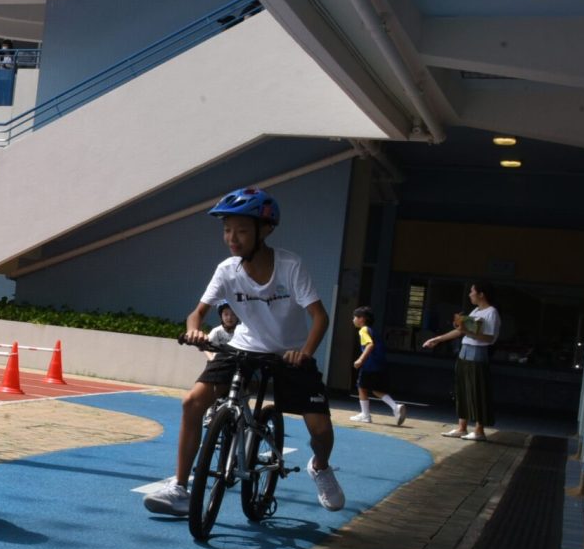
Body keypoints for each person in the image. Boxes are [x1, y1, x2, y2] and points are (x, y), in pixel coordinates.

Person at [145, 186, 346, 516]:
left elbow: (319, 317)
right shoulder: (227, 269)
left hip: (289, 355)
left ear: (264, 230)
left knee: (321, 431)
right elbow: (197, 313)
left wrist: (305, 353)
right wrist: (194, 329)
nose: (231, 238)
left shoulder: (290, 266)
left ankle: (321, 467)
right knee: (192, 402)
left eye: (240, 230)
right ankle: (180, 488)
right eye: (227, 230)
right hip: (243, 349)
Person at [422, 283, 499, 440]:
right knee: (462, 390)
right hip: (464, 353)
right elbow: (459, 332)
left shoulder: (492, 312)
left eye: (472, 291)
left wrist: (467, 330)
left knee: (477, 391)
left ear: (481, 294)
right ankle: (462, 428)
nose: (470, 294)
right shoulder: (476, 311)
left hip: (477, 354)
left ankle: (479, 431)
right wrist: (437, 339)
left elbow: (490, 338)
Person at [349, 306, 407, 426]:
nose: (353, 320)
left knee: (361, 387)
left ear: (362, 319)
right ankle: (395, 407)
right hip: (380, 364)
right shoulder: (372, 330)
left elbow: (370, 345)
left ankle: (365, 415)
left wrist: (360, 360)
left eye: (355, 317)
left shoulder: (363, 330)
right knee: (376, 390)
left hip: (369, 365)